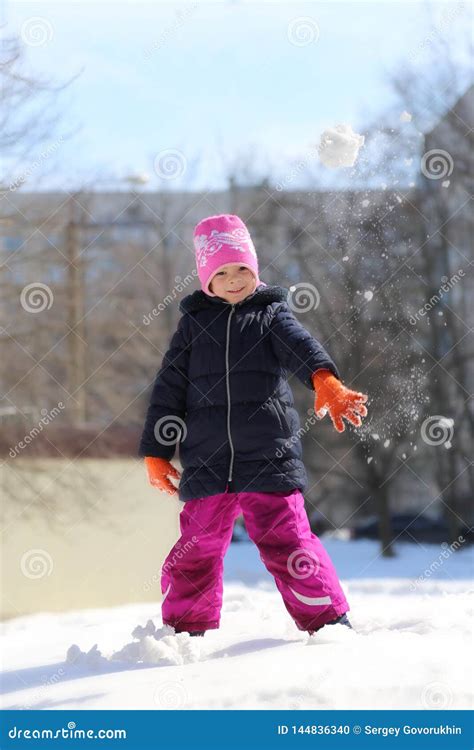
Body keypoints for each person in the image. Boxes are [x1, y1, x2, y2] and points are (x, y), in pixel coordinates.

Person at [138, 214, 368, 638]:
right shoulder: (192, 326)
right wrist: (156, 451)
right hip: (207, 461)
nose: (233, 280)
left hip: (268, 455)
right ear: (207, 279)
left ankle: (329, 622)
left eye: (242, 269)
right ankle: (186, 631)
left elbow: (301, 346)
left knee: (289, 541)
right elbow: (169, 387)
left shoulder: (270, 314)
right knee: (196, 549)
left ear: (255, 270)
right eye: (222, 272)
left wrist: (325, 379)